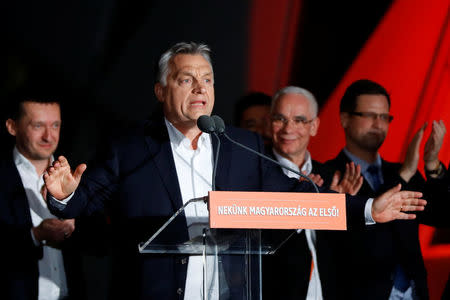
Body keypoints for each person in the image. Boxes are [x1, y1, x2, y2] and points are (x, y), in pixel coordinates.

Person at [44, 43, 425, 300]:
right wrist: (64, 194)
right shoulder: (129, 148)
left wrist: (366, 210)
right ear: (160, 91)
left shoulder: (240, 146)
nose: (200, 88)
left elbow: (297, 201)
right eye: (186, 79)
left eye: (207, 79)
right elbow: (83, 200)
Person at [324, 79, 448, 300]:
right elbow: (347, 240)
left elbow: (443, 215)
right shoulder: (328, 175)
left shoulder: (400, 171)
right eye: (369, 115)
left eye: (384, 117)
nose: (378, 124)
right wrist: (405, 173)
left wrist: (432, 165)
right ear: (345, 119)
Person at [263, 86, 363, 300]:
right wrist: (303, 209)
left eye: (299, 120)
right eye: (280, 119)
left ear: (314, 126)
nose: (288, 129)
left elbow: (347, 253)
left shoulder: (330, 177)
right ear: (269, 122)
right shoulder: (254, 173)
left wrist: (338, 214)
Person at [0, 93, 83, 299]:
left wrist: (69, 208)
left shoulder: (76, 173)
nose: (49, 136)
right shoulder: (0, 177)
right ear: (12, 127)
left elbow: (100, 244)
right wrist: (35, 236)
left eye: (55, 125)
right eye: (38, 126)